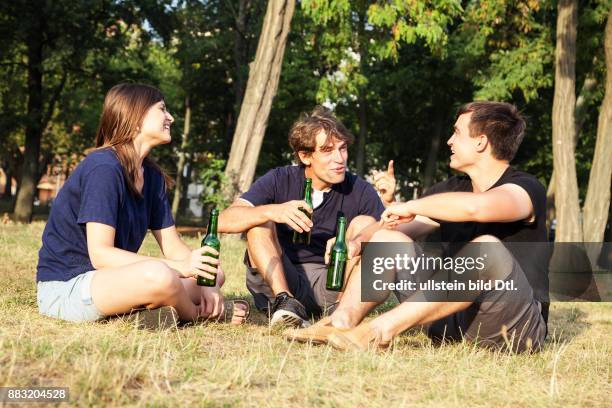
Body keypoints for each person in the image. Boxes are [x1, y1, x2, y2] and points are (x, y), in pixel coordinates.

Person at [286, 101, 549, 353]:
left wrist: (412, 206)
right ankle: (340, 323)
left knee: (487, 250)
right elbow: (395, 228)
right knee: (388, 240)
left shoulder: (525, 188)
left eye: (456, 133)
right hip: (450, 321)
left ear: (481, 142)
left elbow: (477, 208)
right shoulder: (451, 189)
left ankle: (378, 333)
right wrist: (357, 242)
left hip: (513, 329)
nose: (449, 141)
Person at [36, 83, 248, 326]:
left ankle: (151, 314)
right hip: (68, 288)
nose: (171, 117)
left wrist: (206, 281)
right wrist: (181, 268)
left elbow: (173, 246)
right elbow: (101, 255)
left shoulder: (152, 177)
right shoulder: (104, 168)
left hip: (112, 282)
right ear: (135, 117)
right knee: (160, 275)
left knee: (214, 272)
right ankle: (200, 315)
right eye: (162, 109)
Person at [218, 106, 395, 328]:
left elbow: (388, 232)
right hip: (280, 278)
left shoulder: (358, 189)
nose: (339, 158)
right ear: (305, 155)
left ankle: (340, 311)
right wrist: (273, 210)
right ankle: (286, 304)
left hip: (332, 282)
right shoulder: (279, 179)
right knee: (258, 220)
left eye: (343, 148)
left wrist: (387, 203)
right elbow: (223, 221)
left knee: (365, 224)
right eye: (328, 150)